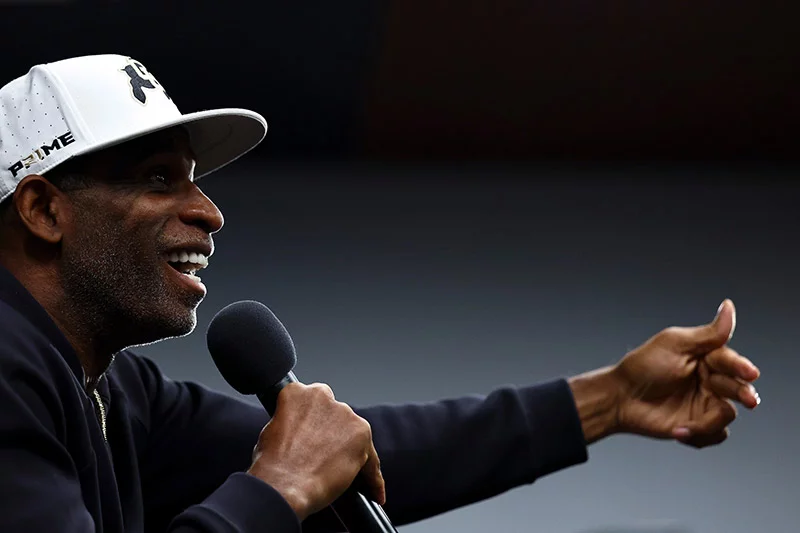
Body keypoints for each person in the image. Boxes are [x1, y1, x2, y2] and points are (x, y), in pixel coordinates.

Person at [0, 54, 761, 533]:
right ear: (44, 211)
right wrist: (279, 488)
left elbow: (354, 453)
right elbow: (294, 473)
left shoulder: (109, 386)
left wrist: (610, 397)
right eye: (158, 179)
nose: (208, 211)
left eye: (195, 181)